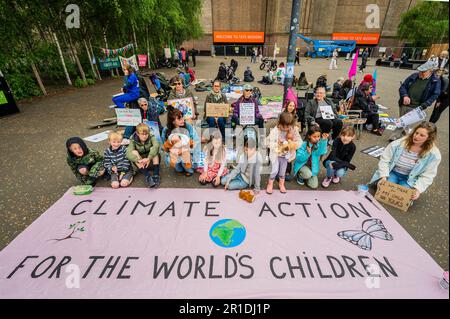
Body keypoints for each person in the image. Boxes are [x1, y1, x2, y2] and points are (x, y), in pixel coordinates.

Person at [370, 121, 441, 202]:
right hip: (393, 172)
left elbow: (428, 175)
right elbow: (385, 159)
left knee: (403, 198)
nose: (417, 136)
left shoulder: (434, 155)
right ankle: (384, 181)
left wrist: (418, 189)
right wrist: (383, 176)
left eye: (422, 135)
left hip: (410, 179)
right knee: (385, 191)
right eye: (416, 133)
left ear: (429, 138)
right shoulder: (399, 143)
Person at [390, 61, 441, 141]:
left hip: (417, 107)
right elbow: (403, 87)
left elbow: (435, 94)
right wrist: (405, 96)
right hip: (404, 104)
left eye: (423, 71)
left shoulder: (435, 81)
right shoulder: (414, 76)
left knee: (407, 124)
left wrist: (426, 104)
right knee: (403, 122)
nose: (420, 73)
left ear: (430, 71)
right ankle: (399, 137)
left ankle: (399, 138)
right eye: (420, 71)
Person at [266, 112, 301, 194]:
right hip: (276, 154)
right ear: (279, 123)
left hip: (285, 156)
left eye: (288, 127)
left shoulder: (293, 130)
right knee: (274, 170)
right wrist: (276, 144)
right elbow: (267, 142)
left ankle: (281, 184)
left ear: (291, 125)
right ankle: (270, 184)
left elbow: (299, 142)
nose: (285, 129)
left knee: (282, 171)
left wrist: (293, 144)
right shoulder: (275, 131)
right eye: (283, 126)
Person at [162, 107, 201, 175]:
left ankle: (189, 168)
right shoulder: (166, 130)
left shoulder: (188, 126)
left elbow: (196, 142)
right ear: (173, 121)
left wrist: (184, 150)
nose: (182, 120)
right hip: (175, 154)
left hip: (188, 152)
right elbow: (164, 146)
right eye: (179, 119)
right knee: (179, 169)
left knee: (187, 166)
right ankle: (180, 166)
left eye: (182, 117)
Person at [126, 123, 161, 188]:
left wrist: (149, 158)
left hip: (151, 161)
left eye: (146, 134)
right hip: (142, 163)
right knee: (134, 152)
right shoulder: (133, 139)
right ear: (137, 133)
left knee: (154, 149)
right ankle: (147, 176)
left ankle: (156, 174)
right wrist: (138, 160)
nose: (145, 136)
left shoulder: (152, 136)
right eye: (142, 134)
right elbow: (128, 153)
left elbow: (156, 146)